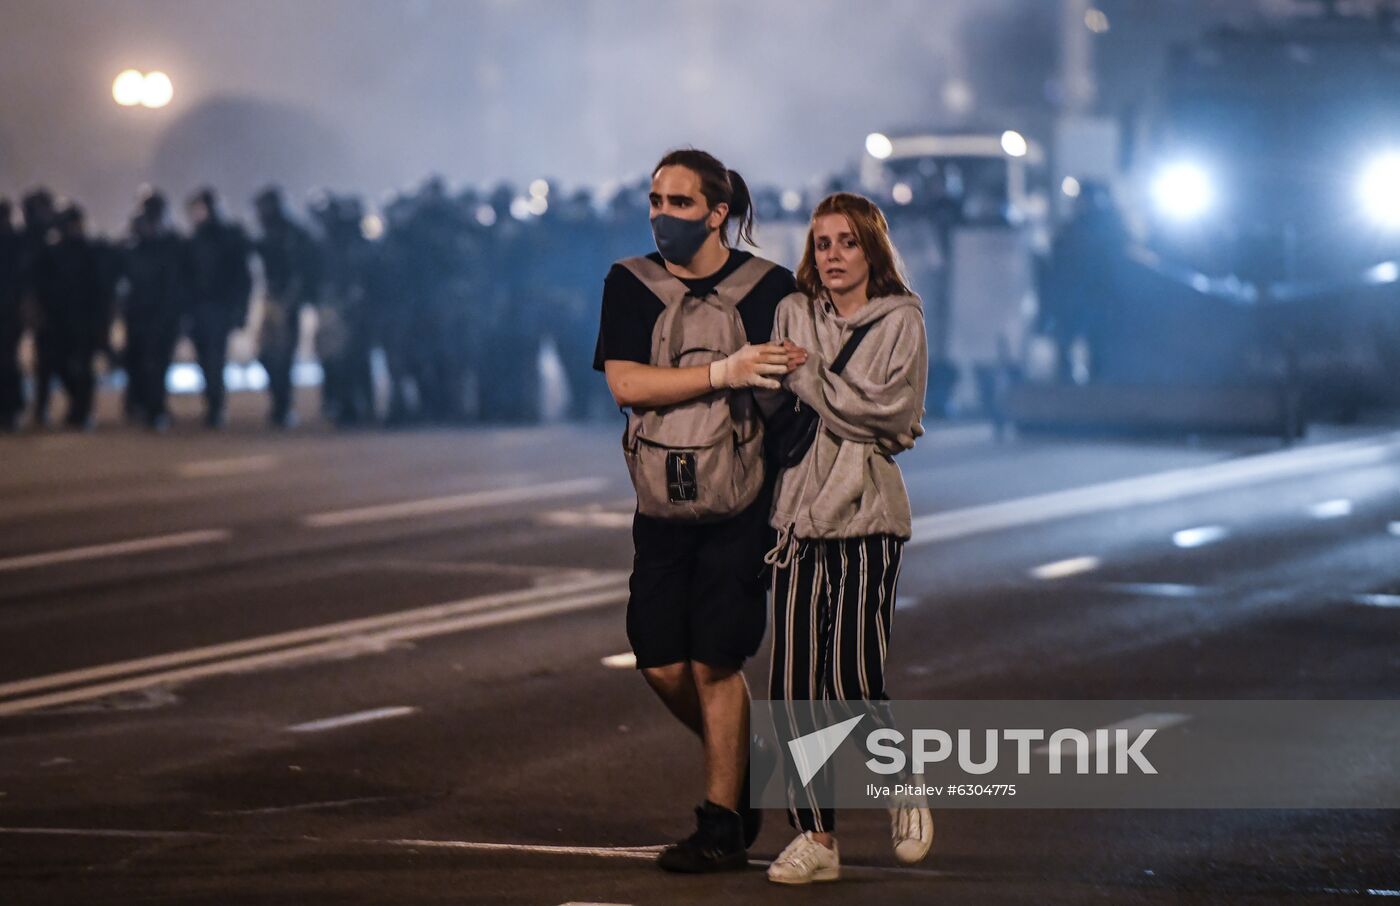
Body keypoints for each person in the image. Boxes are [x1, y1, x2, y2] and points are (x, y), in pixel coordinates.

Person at [594, 149, 800, 873]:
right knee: (657, 660)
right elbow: (625, 383)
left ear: (718, 213)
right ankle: (739, 759)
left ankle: (721, 824)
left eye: (680, 203)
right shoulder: (629, 283)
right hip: (661, 495)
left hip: (743, 500)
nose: (662, 215)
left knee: (717, 660)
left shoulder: (768, 285)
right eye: (655, 200)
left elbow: (791, 394)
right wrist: (723, 371)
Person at [762, 193, 932, 884]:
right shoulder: (792, 312)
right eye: (822, 243)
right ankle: (816, 839)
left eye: (846, 242)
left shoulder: (903, 320)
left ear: (872, 249)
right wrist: (813, 387)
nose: (832, 255)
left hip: (866, 518)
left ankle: (901, 783)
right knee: (793, 689)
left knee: (850, 682)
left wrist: (808, 376)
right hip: (798, 520)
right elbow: (775, 395)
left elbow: (894, 417)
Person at [32, 204, 108, 430]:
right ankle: (78, 408)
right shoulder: (52, 253)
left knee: (83, 370)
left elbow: (99, 290)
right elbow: (41, 287)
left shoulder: (90, 252)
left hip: (83, 322)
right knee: (63, 367)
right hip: (59, 322)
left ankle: (81, 412)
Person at [120, 190, 188, 431]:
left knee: (157, 364)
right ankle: (143, 405)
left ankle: (155, 408)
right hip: (140, 314)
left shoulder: (173, 245)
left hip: (164, 315)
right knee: (140, 363)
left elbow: (180, 282)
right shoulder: (135, 244)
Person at [253, 186, 320, 428]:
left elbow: (301, 272)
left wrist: (291, 300)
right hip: (271, 297)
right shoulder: (269, 232)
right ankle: (279, 402)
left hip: (287, 301)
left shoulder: (293, 234)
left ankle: (283, 406)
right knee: (265, 354)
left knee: (282, 356)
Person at [185, 188, 252, 429]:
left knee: (214, 359)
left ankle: (216, 406)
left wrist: (239, 310)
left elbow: (242, 279)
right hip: (199, 309)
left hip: (219, 308)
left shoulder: (230, 239)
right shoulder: (195, 240)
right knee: (205, 360)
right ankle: (212, 404)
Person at [0, 199, 23, 431]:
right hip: (10, 312)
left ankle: (11, 409)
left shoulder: (14, 244)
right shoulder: (16, 242)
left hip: (9, 313)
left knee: (7, 362)